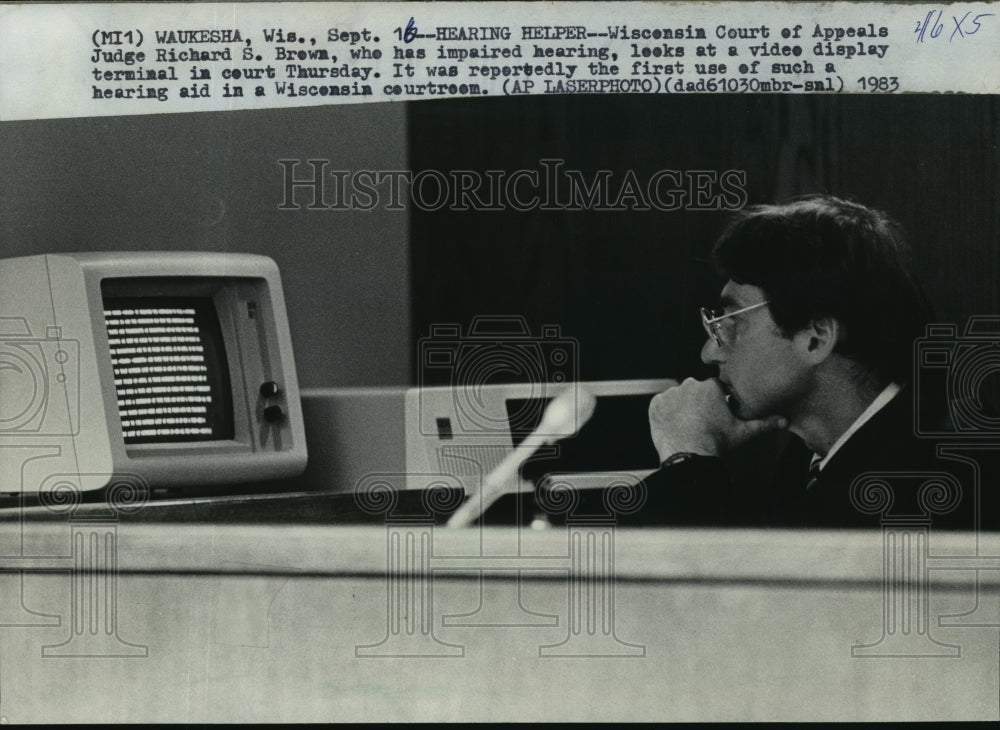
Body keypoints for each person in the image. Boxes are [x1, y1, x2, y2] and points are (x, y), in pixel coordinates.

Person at [636, 194, 990, 530]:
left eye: (732, 323)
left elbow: (746, 594)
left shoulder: (916, 484)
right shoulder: (810, 459)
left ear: (815, 338)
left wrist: (688, 460)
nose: (709, 353)